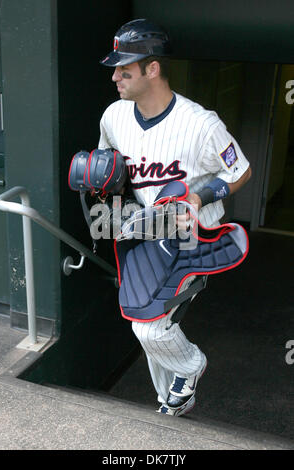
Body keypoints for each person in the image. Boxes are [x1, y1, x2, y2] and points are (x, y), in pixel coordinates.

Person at [98, 18, 251, 416]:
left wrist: (200, 197)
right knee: (147, 317)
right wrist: (101, 180)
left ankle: (191, 365)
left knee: (147, 325)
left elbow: (240, 170)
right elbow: (110, 168)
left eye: (124, 69)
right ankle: (171, 403)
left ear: (152, 68)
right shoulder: (114, 116)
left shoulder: (202, 124)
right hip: (149, 230)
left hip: (193, 233)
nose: (115, 76)